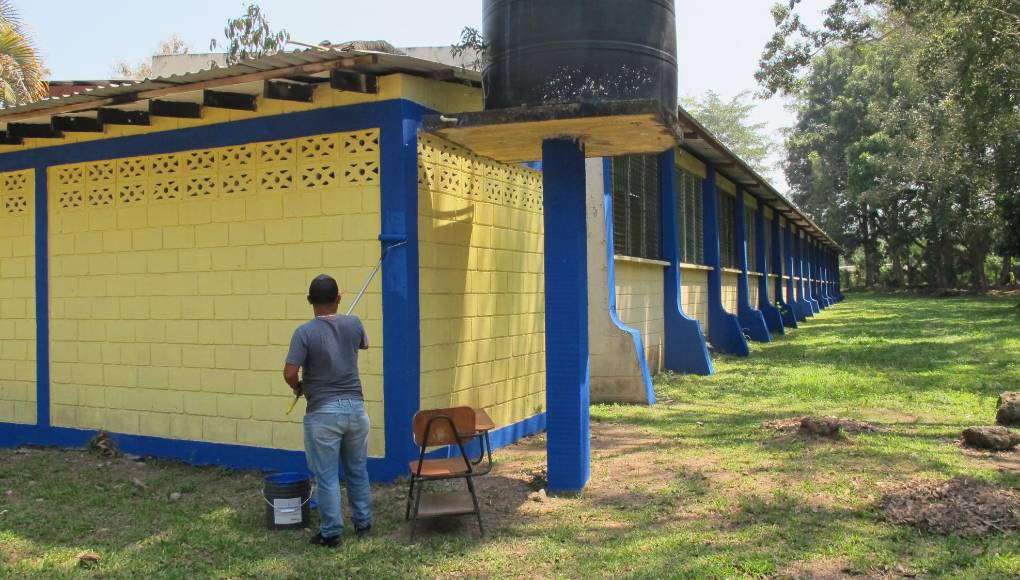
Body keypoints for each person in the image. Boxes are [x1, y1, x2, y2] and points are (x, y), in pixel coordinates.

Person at [283, 274, 372, 547]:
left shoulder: (304, 333)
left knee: (327, 475)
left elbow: (289, 372)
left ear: (309, 301)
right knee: (357, 469)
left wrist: (298, 385)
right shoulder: (354, 323)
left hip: (323, 413)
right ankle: (364, 523)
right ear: (339, 298)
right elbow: (361, 344)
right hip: (356, 410)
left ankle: (332, 532)